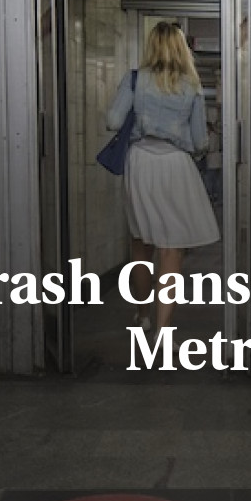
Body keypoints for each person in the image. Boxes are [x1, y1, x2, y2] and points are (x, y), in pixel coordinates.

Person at [106, 21, 219, 336]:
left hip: (141, 161)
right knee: (172, 249)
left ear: (151, 46)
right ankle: (163, 327)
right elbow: (200, 141)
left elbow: (113, 120)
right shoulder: (192, 86)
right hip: (176, 165)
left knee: (141, 244)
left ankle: (141, 314)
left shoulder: (134, 80)